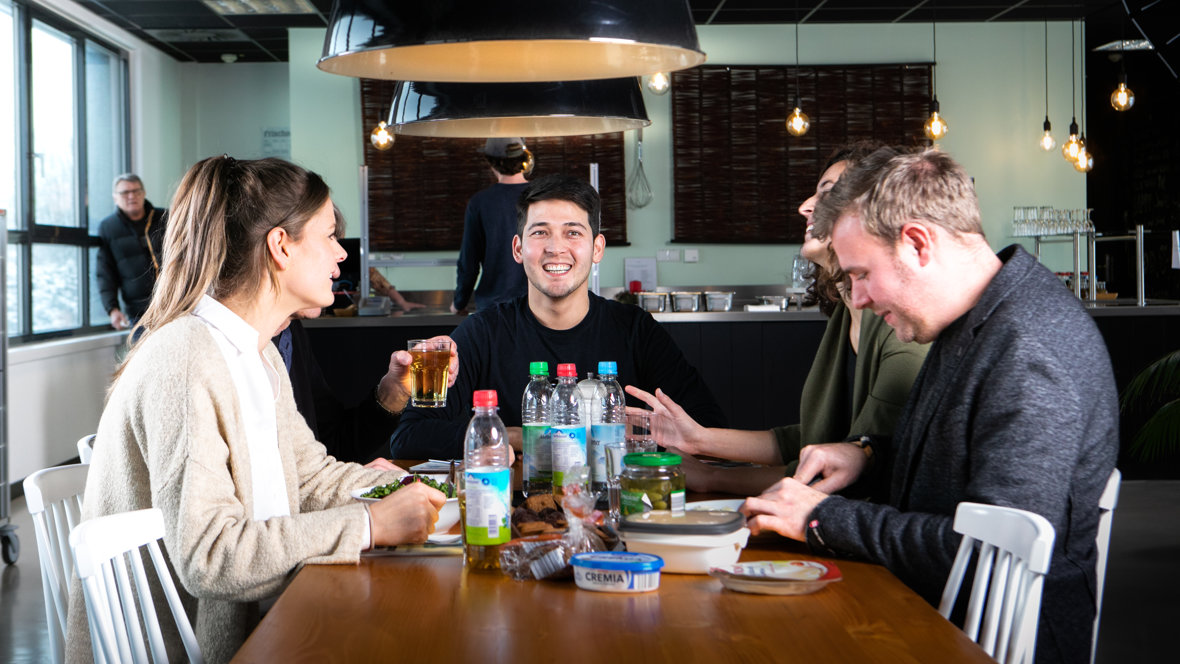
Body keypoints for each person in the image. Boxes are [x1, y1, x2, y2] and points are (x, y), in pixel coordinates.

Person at [742, 147, 1118, 664]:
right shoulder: (975, 318)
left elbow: (990, 551)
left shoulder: (1030, 352)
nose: (857, 299)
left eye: (860, 274)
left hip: (987, 641)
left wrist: (822, 517)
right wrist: (869, 455)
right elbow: (956, 461)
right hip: (934, 612)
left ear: (918, 243)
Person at [66, 156, 447, 664]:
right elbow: (210, 555)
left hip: (266, 620)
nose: (340, 256)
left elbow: (309, 475)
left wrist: (407, 491)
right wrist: (371, 525)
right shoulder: (186, 358)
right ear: (280, 246)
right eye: (330, 235)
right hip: (204, 648)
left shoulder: (260, 351)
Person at [627, 144, 928, 496]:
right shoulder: (847, 316)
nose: (805, 207)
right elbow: (810, 441)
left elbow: (854, 468)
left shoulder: (902, 327)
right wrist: (697, 438)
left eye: (828, 194)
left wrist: (712, 477)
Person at [393, 174, 725, 459]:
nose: (555, 248)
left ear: (597, 248)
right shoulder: (482, 333)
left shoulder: (635, 330)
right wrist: (529, 437)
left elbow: (708, 425)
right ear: (518, 248)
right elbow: (409, 437)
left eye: (572, 232)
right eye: (540, 233)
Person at [273, 307, 457, 463]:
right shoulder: (253, 346)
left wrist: (393, 391)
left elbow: (334, 445)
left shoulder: (291, 333)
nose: (337, 269)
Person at [450, 138, 532, 313]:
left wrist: (459, 303)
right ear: (523, 158)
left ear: (492, 163)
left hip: (492, 309)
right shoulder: (542, 196)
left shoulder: (480, 203)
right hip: (537, 307)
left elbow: (469, 263)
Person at [96, 173, 167, 330]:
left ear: (144, 193)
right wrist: (112, 309)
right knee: (145, 353)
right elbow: (105, 273)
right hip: (139, 312)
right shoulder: (108, 227)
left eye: (136, 191)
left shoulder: (165, 218)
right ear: (115, 197)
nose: (131, 196)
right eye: (124, 193)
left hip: (175, 304)